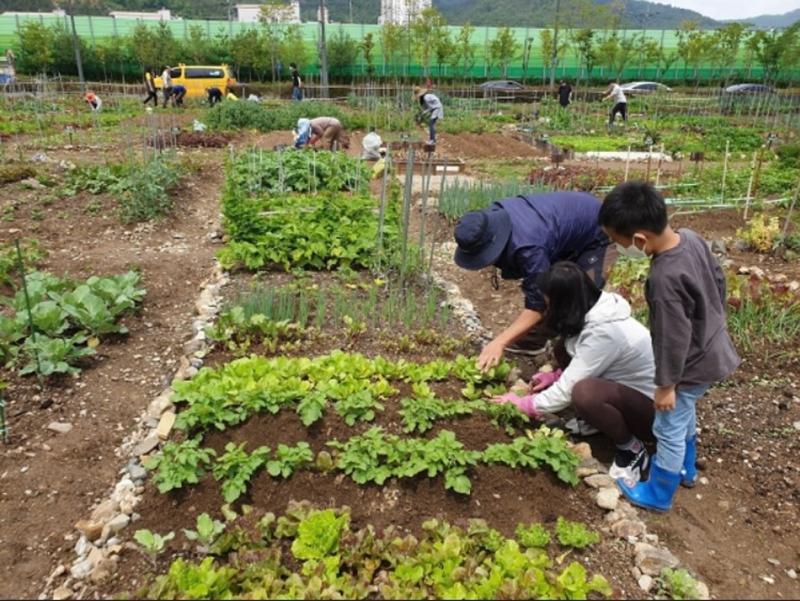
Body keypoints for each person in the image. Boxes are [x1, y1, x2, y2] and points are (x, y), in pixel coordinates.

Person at [598, 180, 740, 513]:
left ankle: (659, 492)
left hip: (691, 364)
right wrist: (713, 321)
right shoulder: (690, 237)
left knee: (668, 426)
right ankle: (686, 469)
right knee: (684, 414)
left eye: (616, 242)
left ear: (639, 240)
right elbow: (719, 281)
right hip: (712, 347)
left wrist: (665, 386)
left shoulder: (664, 279)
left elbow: (671, 340)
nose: (616, 247)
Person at [491, 262, 656, 484]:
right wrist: (556, 376)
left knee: (584, 394)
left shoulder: (604, 332)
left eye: (549, 301)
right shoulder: (593, 306)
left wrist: (524, 405)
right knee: (563, 348)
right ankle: (600, 421)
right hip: (625, 390)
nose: (545, 306)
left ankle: (632, 448)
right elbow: (587, 359)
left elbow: (568, 391)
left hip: (653, 413)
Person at [454, 192, 617, 370]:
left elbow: (537, 304)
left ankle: (571, 365)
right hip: (561, 232)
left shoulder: (528, 247)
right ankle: (533, 343)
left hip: (598, 232)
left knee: (578, 301)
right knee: (551, 290)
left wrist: (499, 342)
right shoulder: (488, 221)